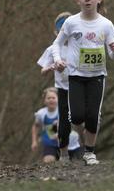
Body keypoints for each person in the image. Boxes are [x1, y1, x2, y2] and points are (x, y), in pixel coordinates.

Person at [51, 0, 114, 165]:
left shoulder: (106, 24)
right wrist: (58, 60)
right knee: (76, 117)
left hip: (97, 77)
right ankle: (79, 135)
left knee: (92, 117)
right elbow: (56, 44)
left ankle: (89, 152)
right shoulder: (71, 22)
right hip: (75, 76)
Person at [36, 11, 83, 161]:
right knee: (64, 121)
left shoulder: (80, 46)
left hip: (79, 87)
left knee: (80, 118)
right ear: (56, 32)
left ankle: (85, 148)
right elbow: (43, 71)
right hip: (62, 88)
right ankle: (64, 154)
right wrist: (51, 67)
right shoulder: (52, 49)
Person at [31, 87, 60, 163]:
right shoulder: (41, 113)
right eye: (48, 98)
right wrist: (34, 141)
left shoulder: (62, 111)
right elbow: (35, 126)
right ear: (44, 101)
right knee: (48, 162)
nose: (51, 100)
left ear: (58, 99)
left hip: (64, 143)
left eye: (53, 98)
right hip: (49, 143)